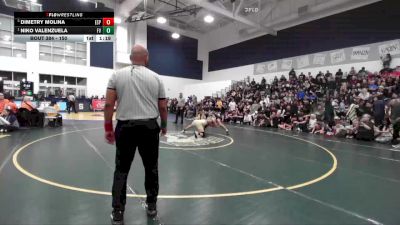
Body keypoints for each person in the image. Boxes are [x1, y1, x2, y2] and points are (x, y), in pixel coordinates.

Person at [104, 44, 167, 223]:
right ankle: (152, 206)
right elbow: (162, 106)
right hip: (149, 128)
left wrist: (108, 128)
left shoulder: (116, 75)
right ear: (146, 58)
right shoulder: (156, 78)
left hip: (125, 129)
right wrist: (163, 126)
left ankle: (118, 212)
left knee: (121, 170)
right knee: (151, 168)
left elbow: (109, 105)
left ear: (131, 58)